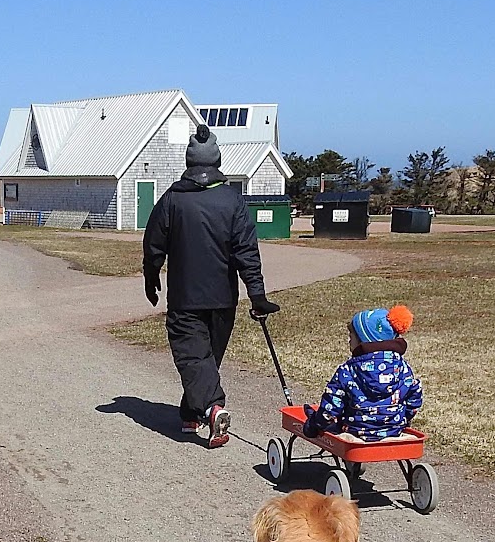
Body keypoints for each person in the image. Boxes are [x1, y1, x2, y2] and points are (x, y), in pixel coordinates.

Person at [143, 123, 280, 449]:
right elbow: (246, 251)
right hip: (223, 300)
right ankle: (192, 413)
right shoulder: (232, 201)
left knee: (193, 359)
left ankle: (213, 408)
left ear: (189, 163)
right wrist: (257, 294)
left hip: (185, 300)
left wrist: (151, 277)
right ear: (217, 162)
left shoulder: (172, 200)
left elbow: (153, 245)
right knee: (205, 359)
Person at [303, 305, 422, 441]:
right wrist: (404, 418)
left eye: (351, 336)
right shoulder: (403, 368)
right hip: (393, 431)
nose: (349, 340)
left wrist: (314, 425)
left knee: (330, 422)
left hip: (355, 433)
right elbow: (414, 397)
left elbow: (330, 408)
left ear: (363, 340)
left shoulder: (348, 370)